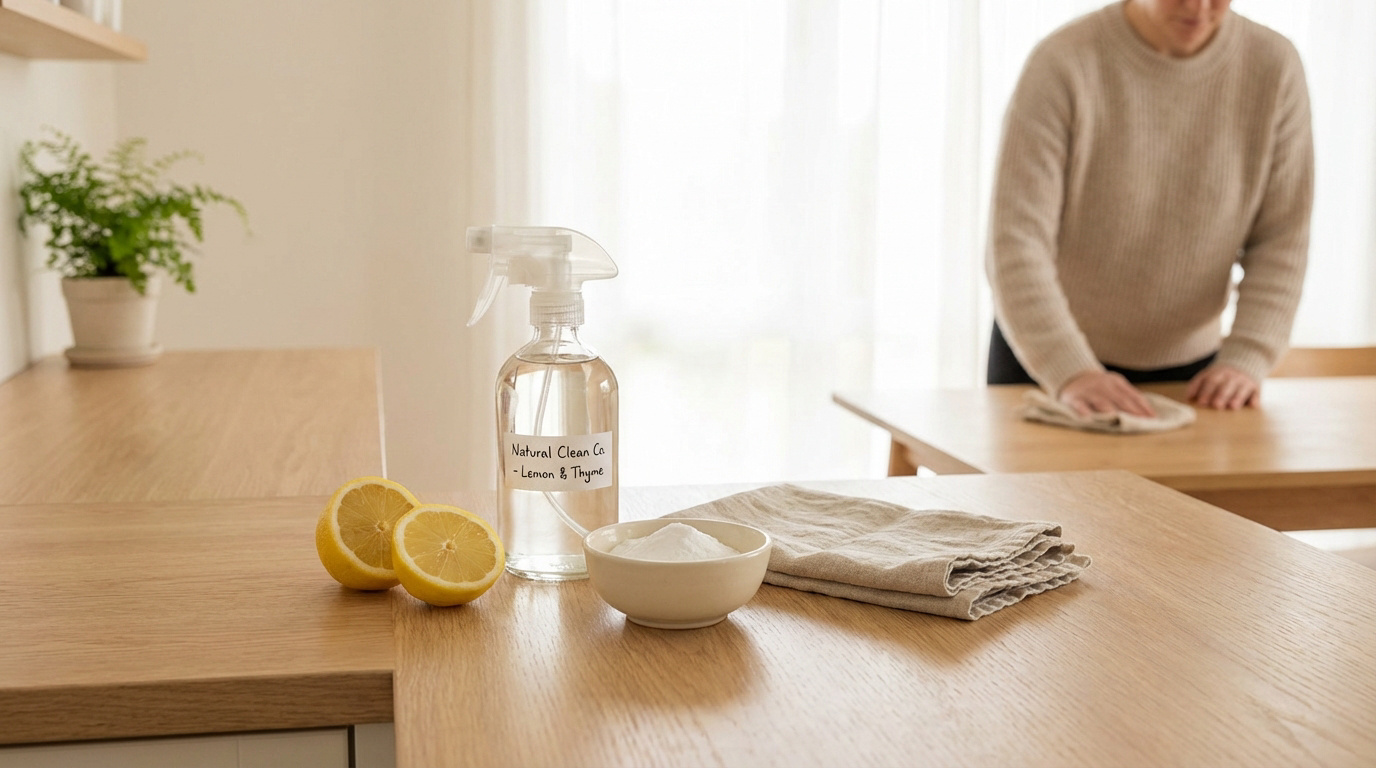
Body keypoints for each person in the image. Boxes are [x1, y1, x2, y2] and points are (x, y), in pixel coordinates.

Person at [985, 0, 1313, 418]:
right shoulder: (1063, 61)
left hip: (1195, 377)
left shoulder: (1274, 65)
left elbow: (1283, 238)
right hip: (1046, 362)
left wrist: (1248, 355)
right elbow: (1015, 242)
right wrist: (1071, 371)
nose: (1198, 7)